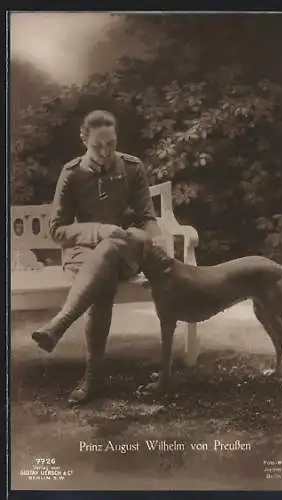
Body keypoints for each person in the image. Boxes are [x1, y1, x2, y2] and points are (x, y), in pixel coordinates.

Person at [31, 110, 162, 405]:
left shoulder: (132, 168)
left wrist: (147, 236)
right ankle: (93, 374)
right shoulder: (72, 173)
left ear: (116, 138)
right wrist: (98, 230)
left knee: (111, 250)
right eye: (97, 146)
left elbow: (147, 219)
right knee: (104, 268)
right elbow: (56, 230)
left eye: (111, 144)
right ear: (84, 140)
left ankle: (62, 330)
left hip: (126, 252)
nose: (105, 152)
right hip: (83, 254)